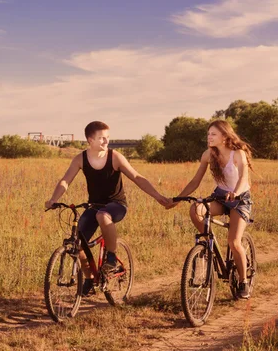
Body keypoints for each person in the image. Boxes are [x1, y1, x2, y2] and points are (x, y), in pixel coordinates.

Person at [45, 121, 171, 296]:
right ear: (90, 140)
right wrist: (53, 199)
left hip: (117, 205)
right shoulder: (80, 159)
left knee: (103, 216)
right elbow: (65, 180)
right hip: (94, 206)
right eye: (101, 138)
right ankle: (89, 279)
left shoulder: (115, 157)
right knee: (77, 244)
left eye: (107, 138)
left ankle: (111, 258)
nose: (106, 142)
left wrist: (158, 197)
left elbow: (136, 177)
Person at [166, 119, 254, 299]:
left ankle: (243, 280)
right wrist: (177, 199)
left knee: (234, 242)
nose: (209, 137)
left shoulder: (238, 154)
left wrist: (236, 192)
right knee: (196, 209)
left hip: (240, 200)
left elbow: (243, 176)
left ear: (224, 136)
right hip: (220, 197)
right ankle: (207, 244)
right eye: (208, 134)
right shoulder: (208, 155)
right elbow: (195, 181)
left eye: (213, 134)